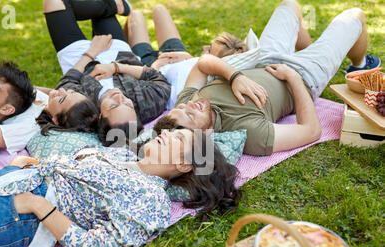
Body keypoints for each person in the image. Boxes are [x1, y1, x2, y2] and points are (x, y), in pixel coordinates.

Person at [0, 128, 241, 247]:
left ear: (185, 165)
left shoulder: (151, 201)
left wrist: (38, 205)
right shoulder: (123, 155)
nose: (167, 132)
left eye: (178, 138)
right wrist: (31, 165)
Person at [154, 0, 381, 156]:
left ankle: (313, 48)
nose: (193, 104)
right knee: (355, 16)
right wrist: (291, 77)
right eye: (192, 114)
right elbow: (311, 130)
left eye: (186, 106)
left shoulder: (186, 104)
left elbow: (202, 63)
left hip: (264, 57)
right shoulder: (247, 134)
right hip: (304, 75)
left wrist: (234, 77)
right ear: (204, 136)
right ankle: (358, 65)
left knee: (290, 4)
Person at [43, 0, 172, 145]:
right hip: (118, 51)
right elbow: (155, 76)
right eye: (128, 105)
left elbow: (68, 81)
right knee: (99, 6)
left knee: (53, 3)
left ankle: (116, 6)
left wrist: (93, 52)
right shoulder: (147, 106)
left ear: (99, 116)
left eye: (113, 105)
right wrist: (116, 68)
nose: (119, 97)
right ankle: (115, 6)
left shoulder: (83, 107)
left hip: (79, 57)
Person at [0, 56, 100, 157]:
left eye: (63, 100)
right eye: (68, 92)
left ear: (57, 120)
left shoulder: (29, 128)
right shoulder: (50, 101)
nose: (60, 91)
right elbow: (35, 90)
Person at [125, 5, 260, 110]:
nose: (204, 47)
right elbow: (200, 62)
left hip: (151, 66)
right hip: (179, 54)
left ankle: (122, 44)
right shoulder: (207, 63)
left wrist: (154, 66)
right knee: (159, 10)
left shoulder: (193, 88)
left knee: (135, 17)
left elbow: (158, 90)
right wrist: (189, 57)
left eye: (209, 50)